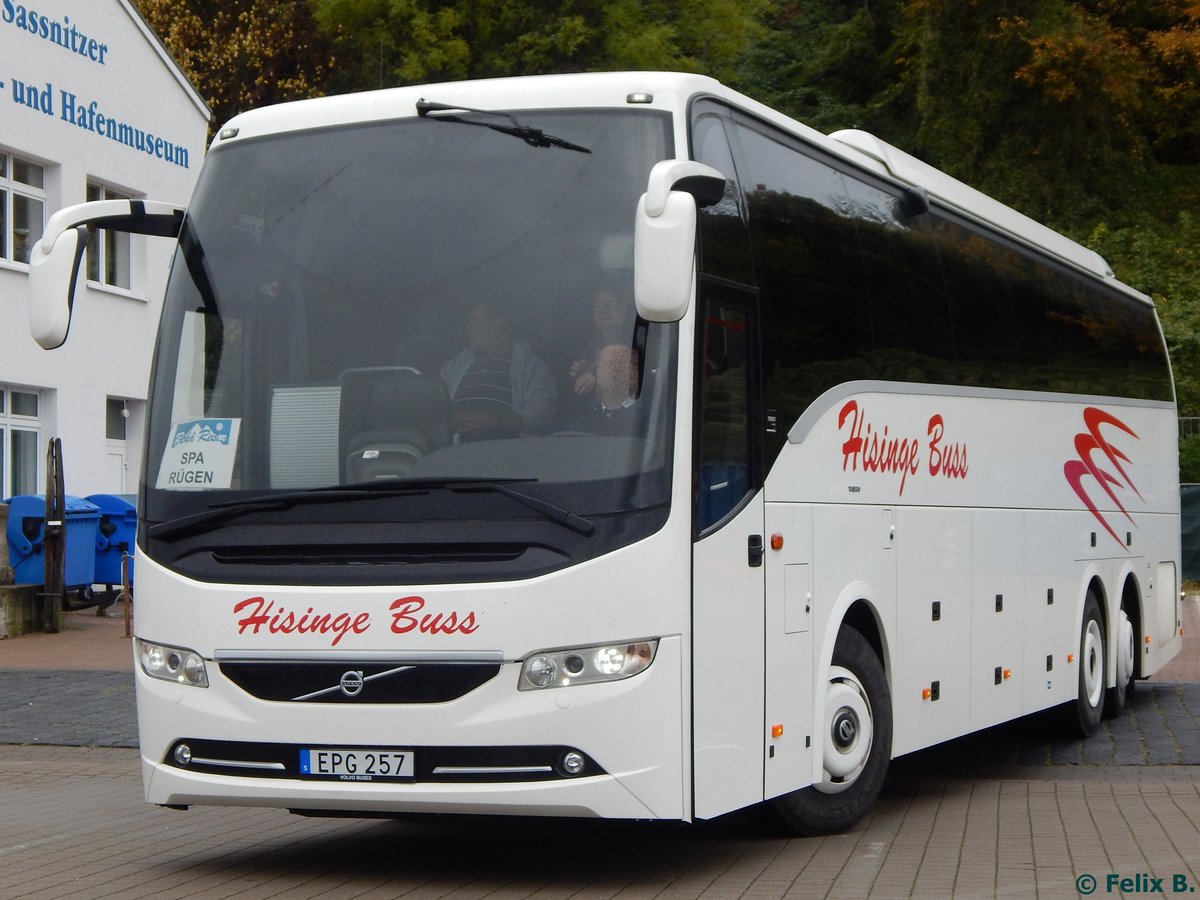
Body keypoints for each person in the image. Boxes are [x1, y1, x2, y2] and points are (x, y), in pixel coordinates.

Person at [440, 300, 556, 439]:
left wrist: (498, 421)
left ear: (497, 322)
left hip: (505, 450)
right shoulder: (453, 366)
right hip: (451, 451)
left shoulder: (531, 366)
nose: (468, 328)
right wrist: (449, 422)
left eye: (474, 321)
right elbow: (433, 412)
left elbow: (541, 415)